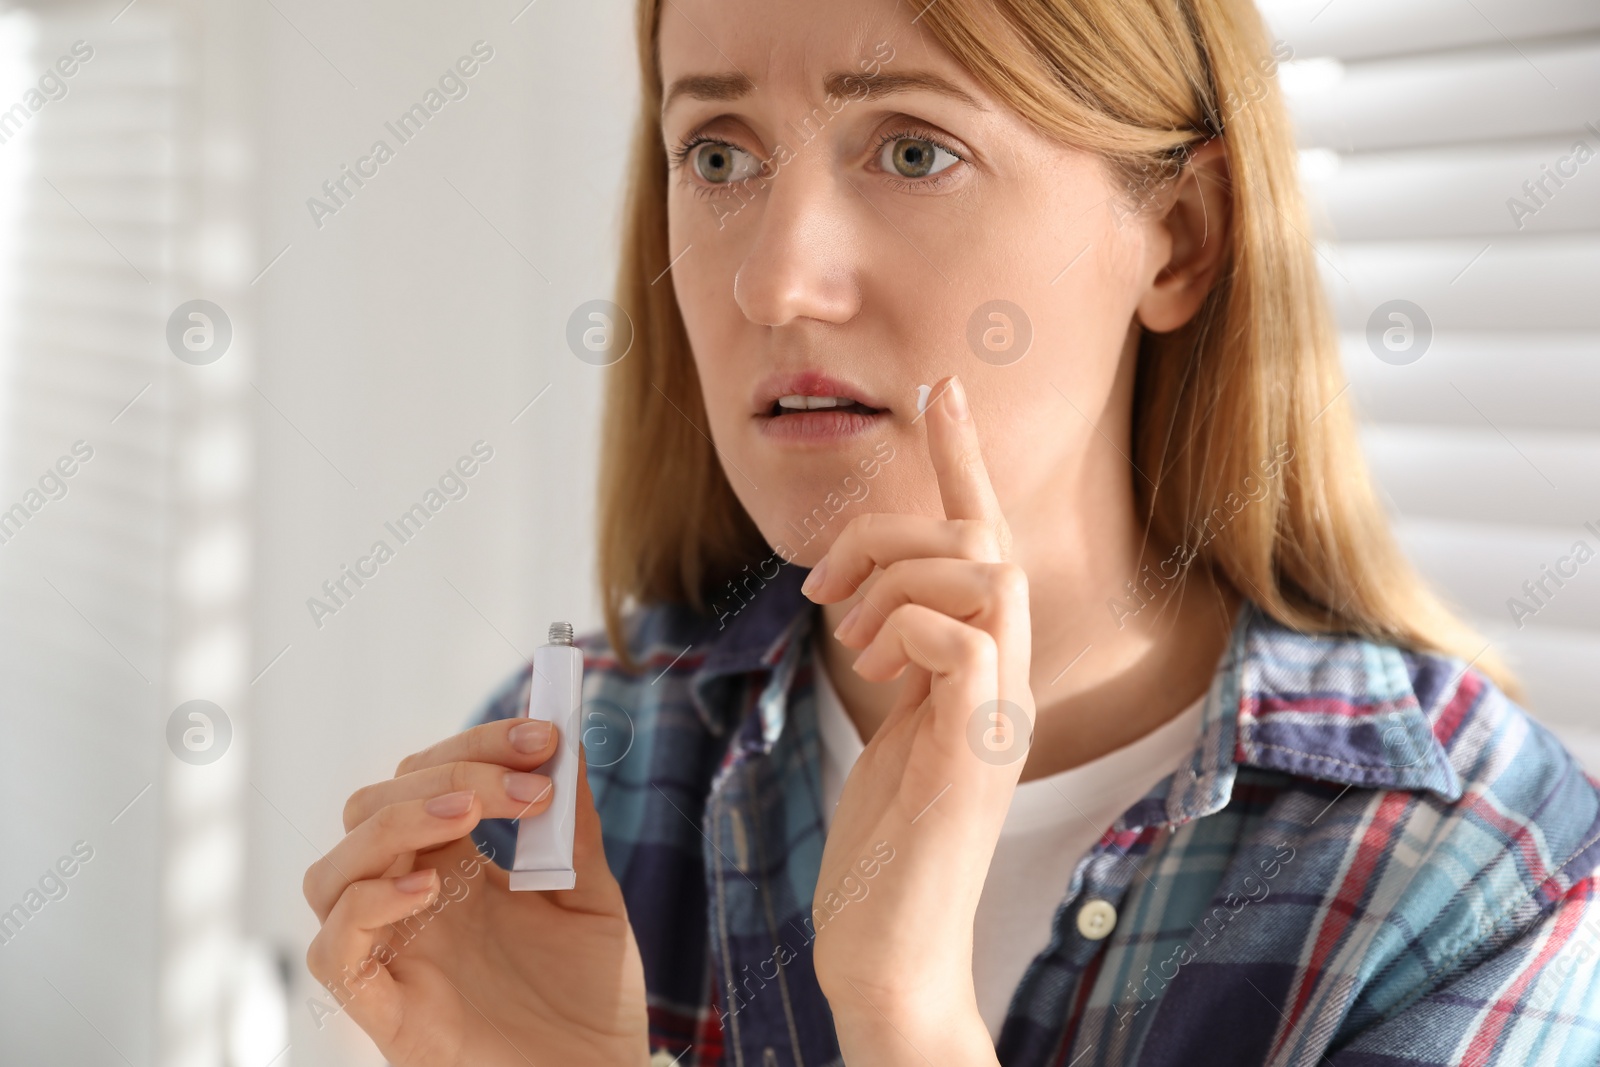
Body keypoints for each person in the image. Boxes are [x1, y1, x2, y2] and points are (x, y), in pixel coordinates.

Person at [302, 0, 1600, 1063]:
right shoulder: (574, 793)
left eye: (913, 149)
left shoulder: (1475, 874)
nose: (775, 279)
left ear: (1179, 238)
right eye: (719, 154)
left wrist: (907, 1013)